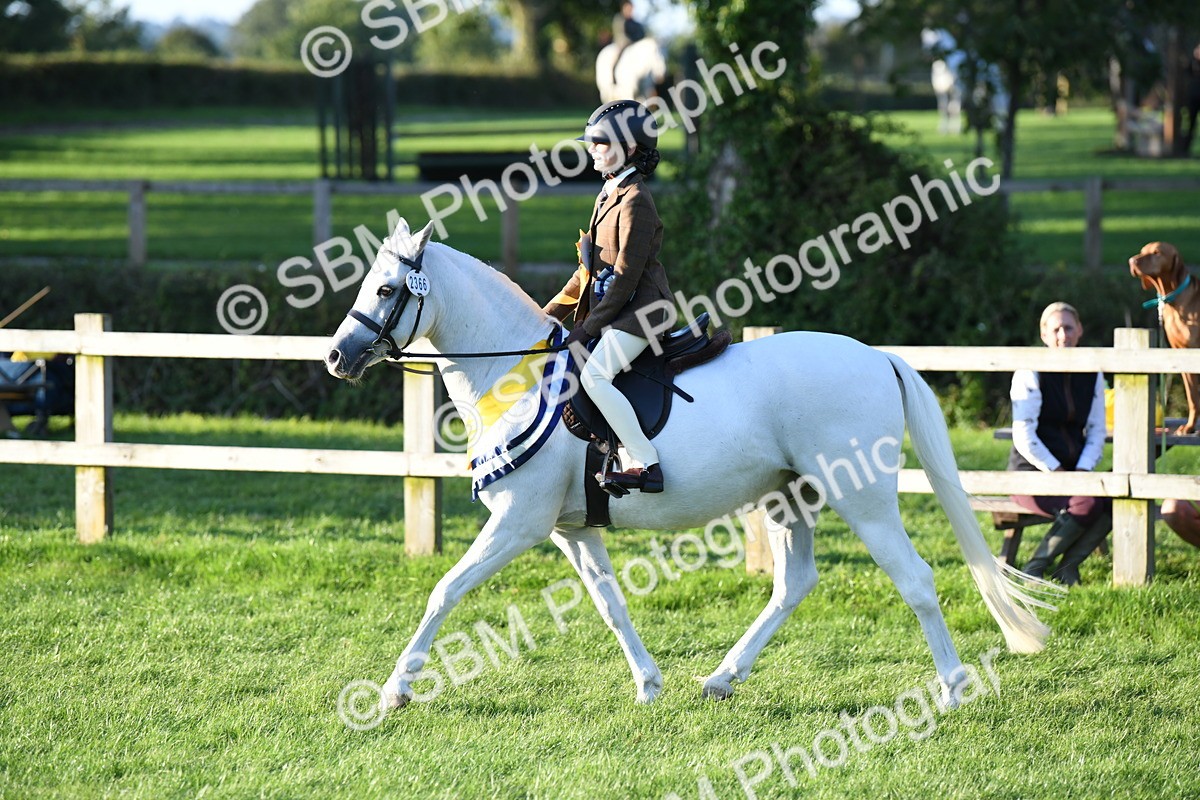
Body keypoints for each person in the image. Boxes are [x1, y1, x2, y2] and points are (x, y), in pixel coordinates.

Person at [544, 100, 672, 494]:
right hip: (617, 310)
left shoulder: (636, 200)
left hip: (643, 313)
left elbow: (623, 280)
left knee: (595, 375)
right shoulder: (608, 193)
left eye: (602, 143)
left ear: (630, 149)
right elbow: (587, 272)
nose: (592, 149)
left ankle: (647, 464)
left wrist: (587, 328)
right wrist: (545, 314)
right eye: (592, 142)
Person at [1008, 302, 1112, 584]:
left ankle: (1066, 567)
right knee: (1087, 503)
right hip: (1031, 475)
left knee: (1116, 499)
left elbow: (1096, 430)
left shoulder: (1093, 373)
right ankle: (1034, 568)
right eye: (1056, 329)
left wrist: (1081, 472)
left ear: (1080, 330)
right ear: (1044, 335)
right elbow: (1024, 436)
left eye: (1068, 327)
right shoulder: (1031, 371)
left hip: (1073, 471)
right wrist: (1057, 472)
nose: (1063, 335)